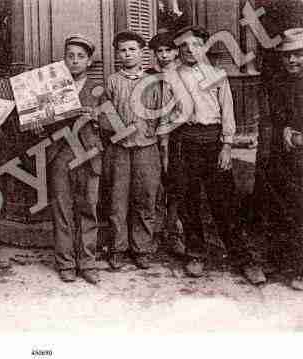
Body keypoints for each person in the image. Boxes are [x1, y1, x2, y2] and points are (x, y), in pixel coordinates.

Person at [172, 26, 265, 283]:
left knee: (223, 201)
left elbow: (227, 113)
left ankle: (242, 257)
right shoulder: (170, 76)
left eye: (196, 45)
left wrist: (226, 145)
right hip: (184, 141)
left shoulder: (217, 75)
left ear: (204, 47)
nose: (190, 50)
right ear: (179, 51)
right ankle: (196, 254)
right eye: (184, 46)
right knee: (189, 200)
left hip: (212, 140)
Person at [33, 34, 108, 284]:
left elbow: (113, 123)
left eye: (80, 57)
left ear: (88, 62)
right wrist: (38, 124)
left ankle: (87, 262)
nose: (75, 61)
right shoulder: (52, 87)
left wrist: (97, 116)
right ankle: (65, 262)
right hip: (60, 154)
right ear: (64, 60)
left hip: (89, 153)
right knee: (62, 209)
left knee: (88, 208)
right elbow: (39, 120)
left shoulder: (98, 89)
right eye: (70, 56)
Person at [103, 30, 168, 271]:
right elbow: (105, 113)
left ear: (142, 52)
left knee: (146, 197)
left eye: (132, 49)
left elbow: (163, 112)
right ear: (117, 54)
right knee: (118, 200)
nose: (127, 54)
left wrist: (154, 132)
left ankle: (142, 248)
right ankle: (118, 248)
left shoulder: (154, 80)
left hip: (147, 147)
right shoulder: (112, 80)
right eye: (122, 50)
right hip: (119, 148)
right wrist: (117, 130)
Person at [264, 28, 303, 290]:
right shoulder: (279, 82)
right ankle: (281, 261)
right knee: (283, 206)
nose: (292, 61)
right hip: (286, 154)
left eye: (298, 55)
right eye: (287, 56)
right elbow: (277, 115)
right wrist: (285, 129)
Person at [148, 29, 189, 257]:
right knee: (155, 185)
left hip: (177, 136)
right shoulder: (149, 76)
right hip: (152, 136)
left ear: (176, 52)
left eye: (168, 50)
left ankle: (174, 233)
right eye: (159, 51)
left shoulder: (183, 75)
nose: (164, 55)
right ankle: (153, 233)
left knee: (176, 184)